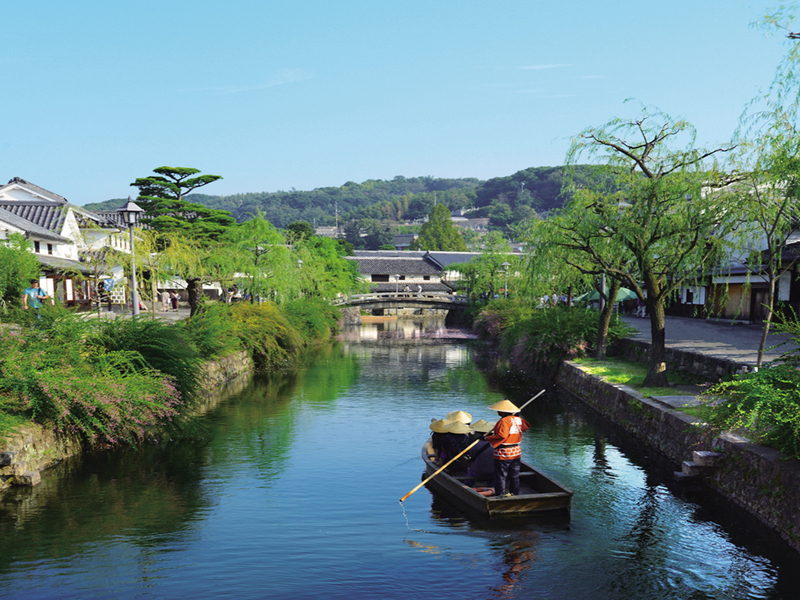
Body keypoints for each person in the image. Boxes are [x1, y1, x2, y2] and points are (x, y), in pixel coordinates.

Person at [485, 399, 530, 497]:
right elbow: (526, 427)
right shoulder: (519, 419)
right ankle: (515, 494)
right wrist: (516, 418)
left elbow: (502, 435)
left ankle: (500, 494)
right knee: (514, 475)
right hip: (516, 452)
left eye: (499, 410)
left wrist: (487, 438)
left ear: (504, 411)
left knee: (500, 475)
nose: (498, 412)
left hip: (503, 452)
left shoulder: (503, 421)